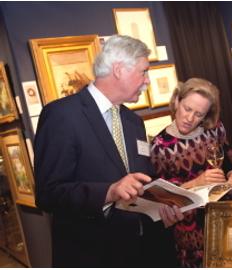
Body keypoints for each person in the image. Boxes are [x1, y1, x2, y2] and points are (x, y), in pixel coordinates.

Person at [34, 35, 181, 267]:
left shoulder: (133, 121)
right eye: (143, 72)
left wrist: (162, 204)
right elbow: (49, 193)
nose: (148, 81)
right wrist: (109, 192)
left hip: (144, 251)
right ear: (119, 69)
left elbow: (142, 178)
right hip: (94, 254)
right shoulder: (62, 115)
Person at [150, 78, 232, 267]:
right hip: (191, 235)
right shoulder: (159, 147)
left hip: (224, 219)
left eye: (199, 114)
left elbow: (231, 162)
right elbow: (161, 199)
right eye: (187, 109)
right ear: (176, 101)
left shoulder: (215, 130)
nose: (190, 118)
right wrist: (197, 182)